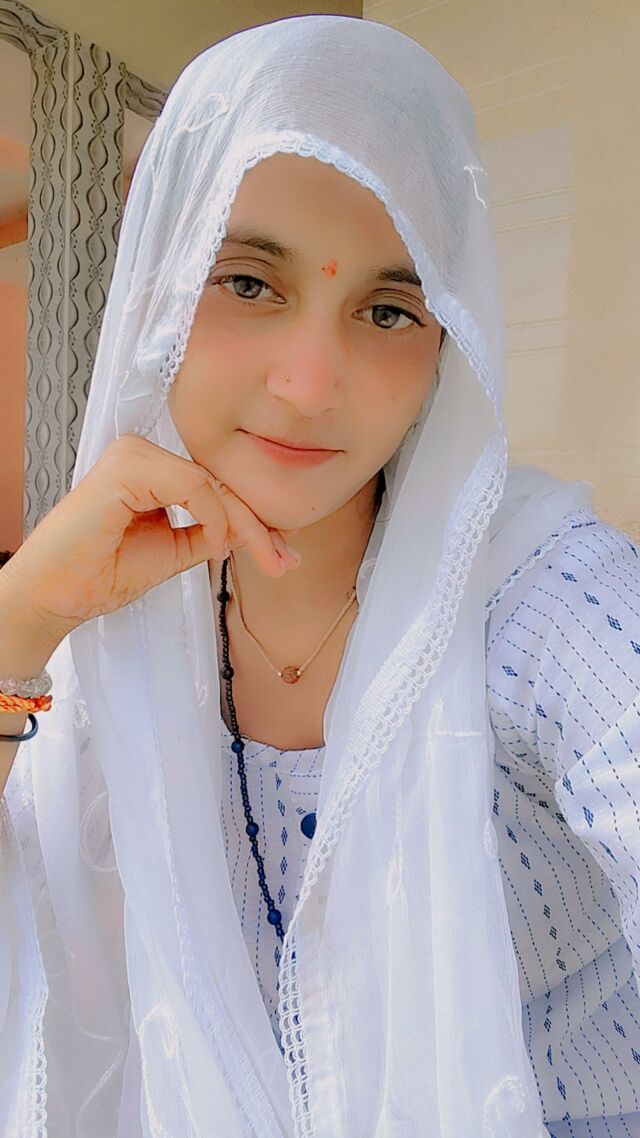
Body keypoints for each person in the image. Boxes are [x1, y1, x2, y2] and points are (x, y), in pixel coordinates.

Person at [0, 13, 638, 1138]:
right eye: (247, 283)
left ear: (448, 340)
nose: (308, 384)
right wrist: (24, 615)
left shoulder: (543, 600)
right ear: (158, 293)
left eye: (388, 310)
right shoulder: (126, 607)